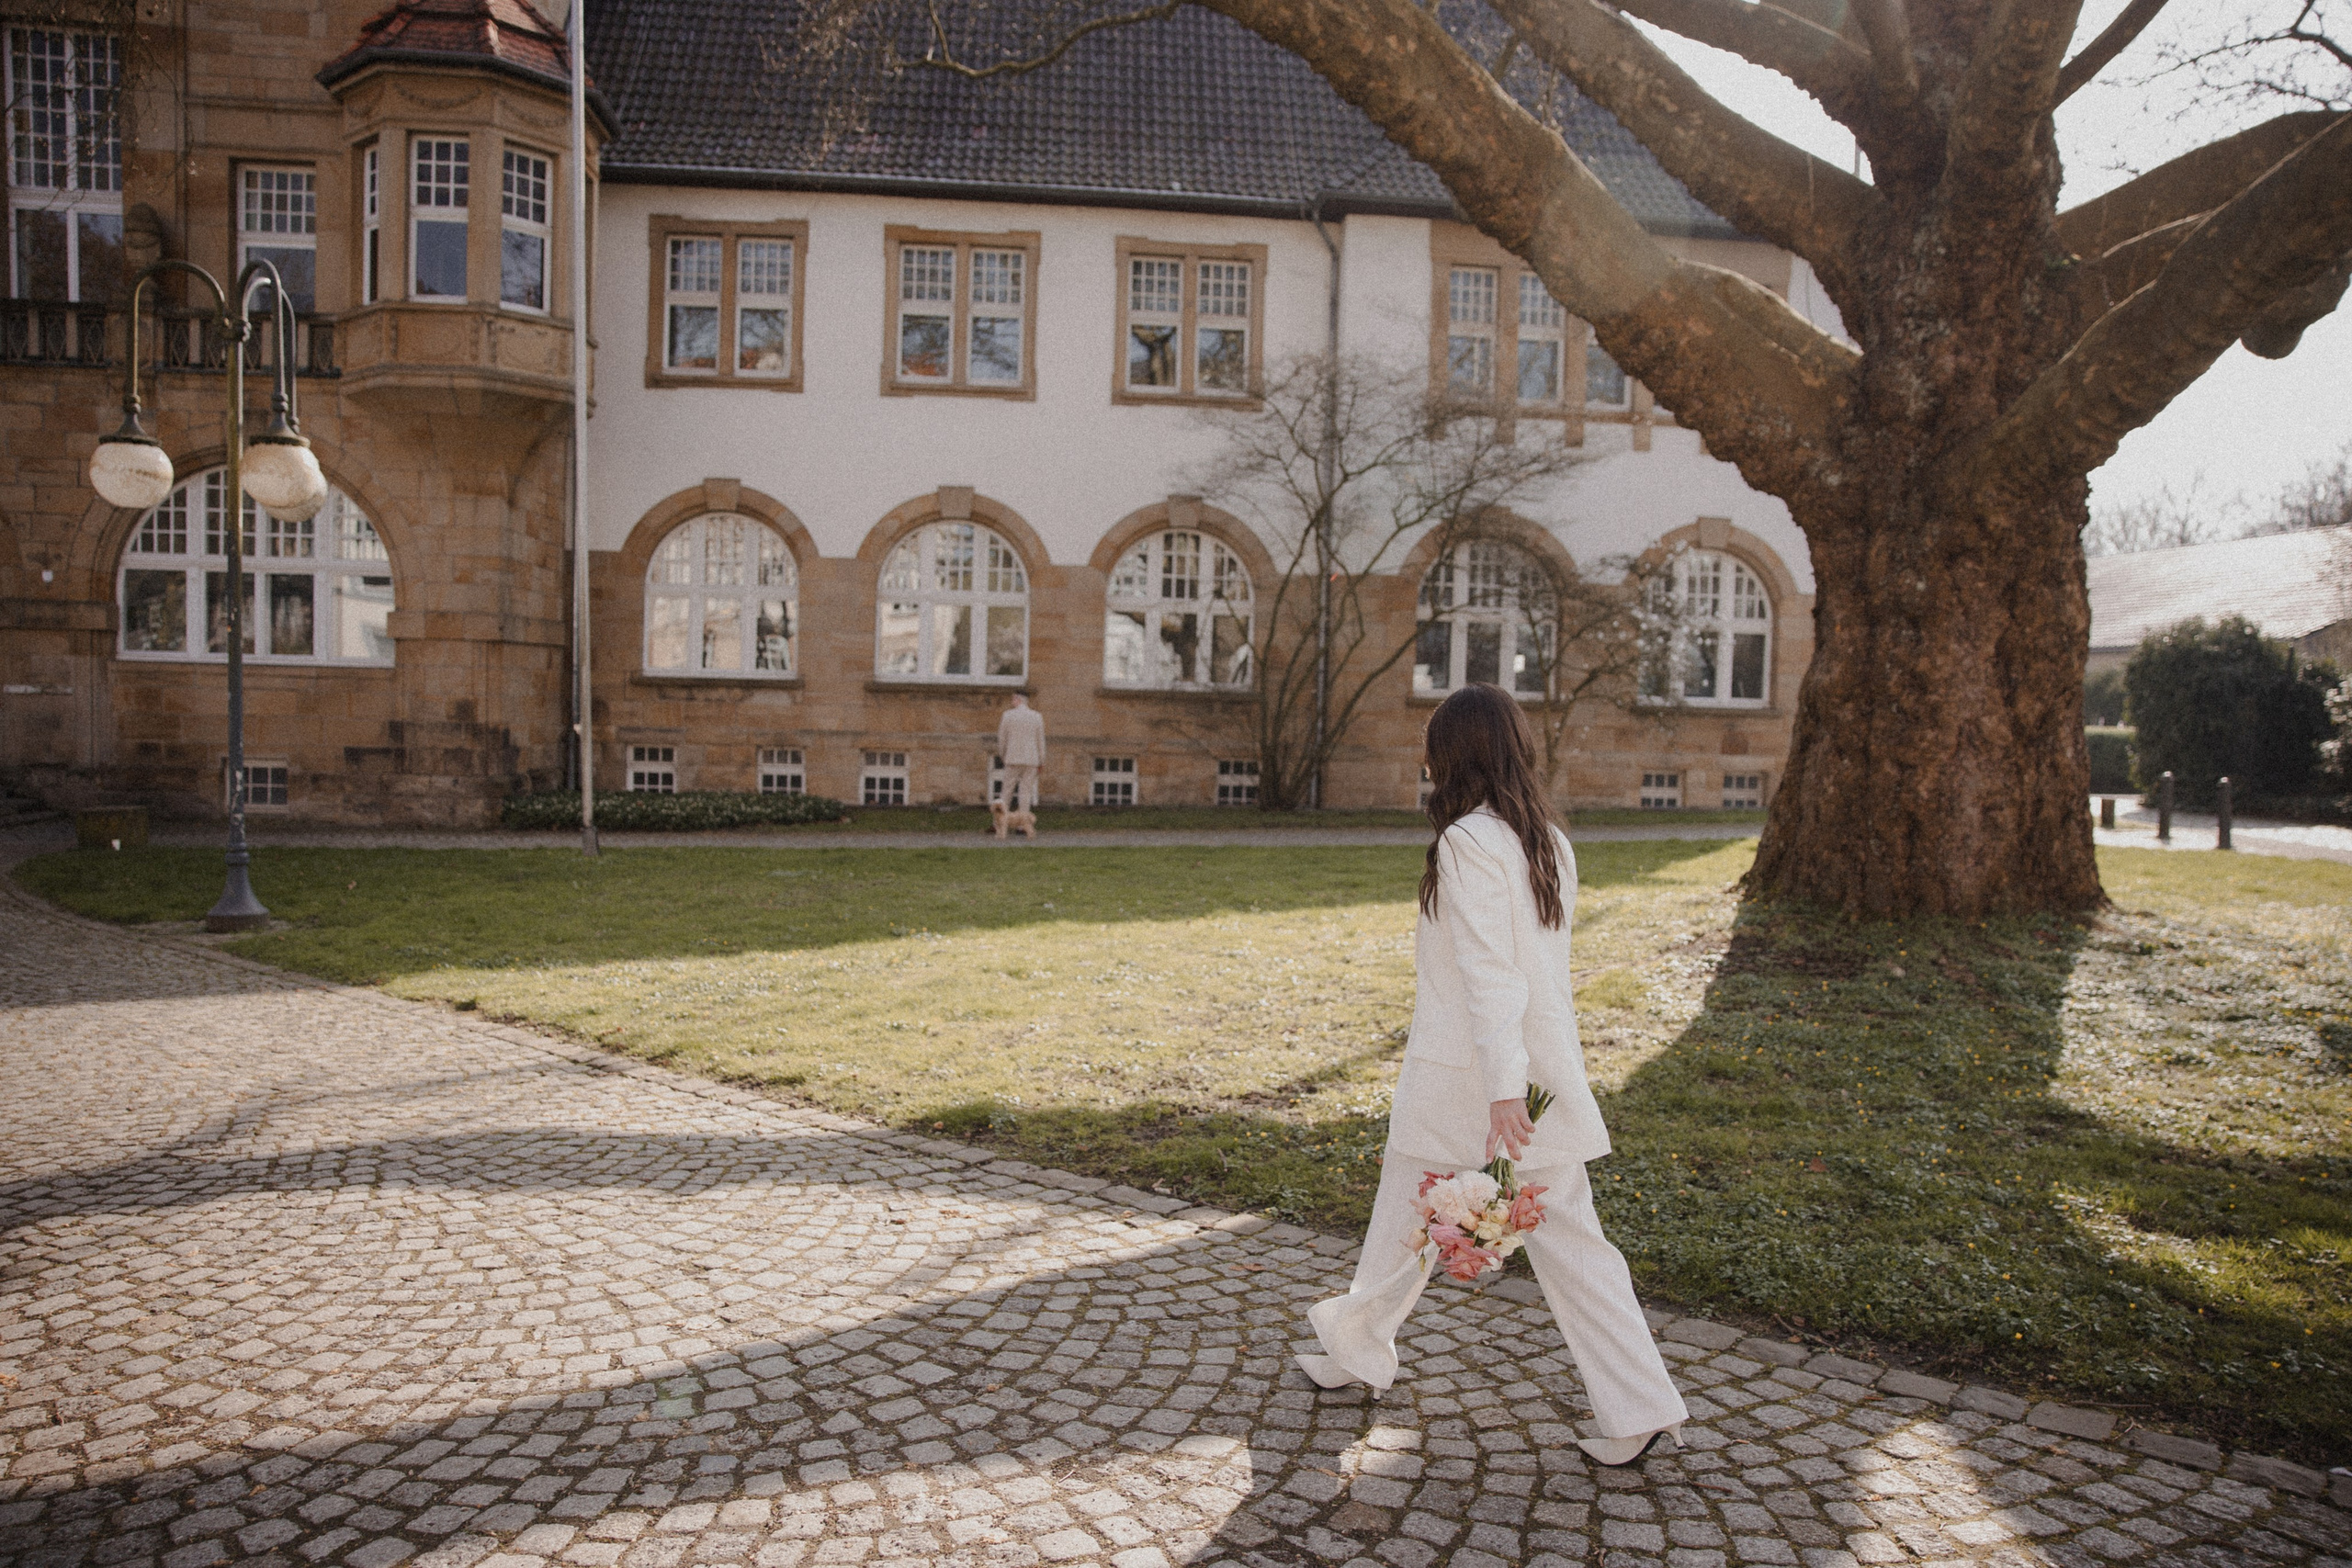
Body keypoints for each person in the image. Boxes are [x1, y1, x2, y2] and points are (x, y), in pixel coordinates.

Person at [1295, 682, 1689, 1468]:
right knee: (1570, 1244)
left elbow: (1492, 973)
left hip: (1475, 1077)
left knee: (1409, 1217)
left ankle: (1355, 1346)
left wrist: (1503, 1089)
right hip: (1534, 1074)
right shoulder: (1546, 839)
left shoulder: (1468, 843)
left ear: (1455, 756)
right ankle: (1638, 1403)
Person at [996, 694, 1045, 814]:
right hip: (1031, 759)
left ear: (1018, 699)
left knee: (1006, 791)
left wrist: (1003, 755)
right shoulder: (1037, 716)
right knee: (1025, 793)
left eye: (1013, 699)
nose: (1012, 701)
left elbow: (1002, 739)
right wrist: (1041, 761)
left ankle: (1000, 822)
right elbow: (1040, 741)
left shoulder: (1008, 715)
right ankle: (1023, 824)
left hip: (1012, 758)